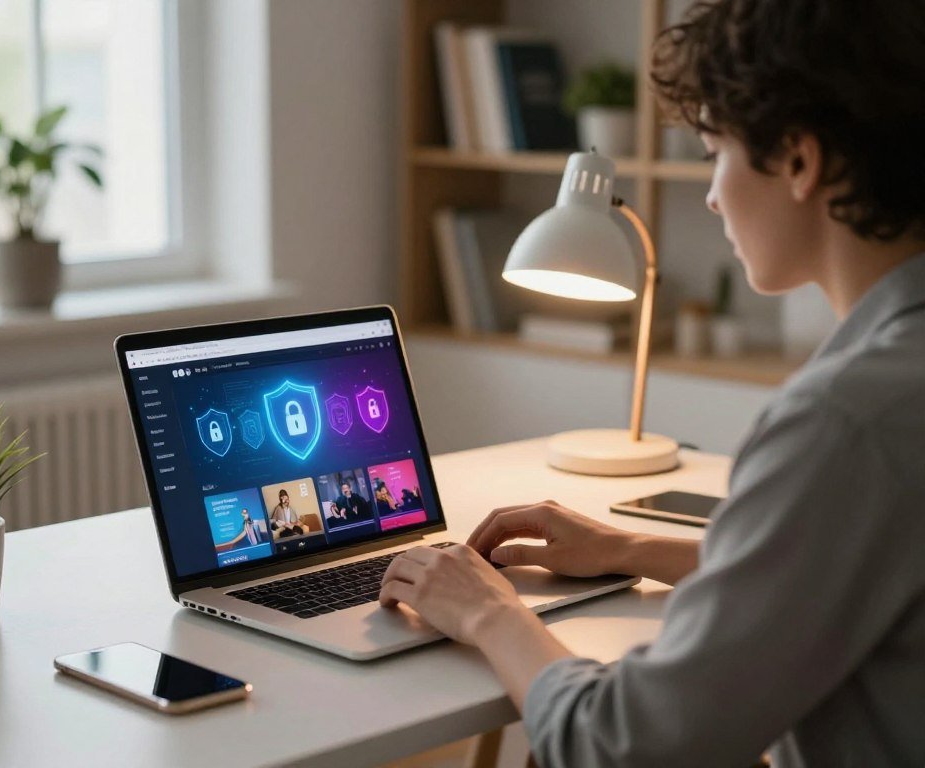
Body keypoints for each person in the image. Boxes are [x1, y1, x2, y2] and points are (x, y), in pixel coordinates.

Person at [379, 1, 925, 766]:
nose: (710, 194)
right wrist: (628, 546)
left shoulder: (845, 418)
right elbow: (844, 572)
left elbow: (623, 745)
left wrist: (489, 614)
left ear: (801, 162)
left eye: (714, 155)